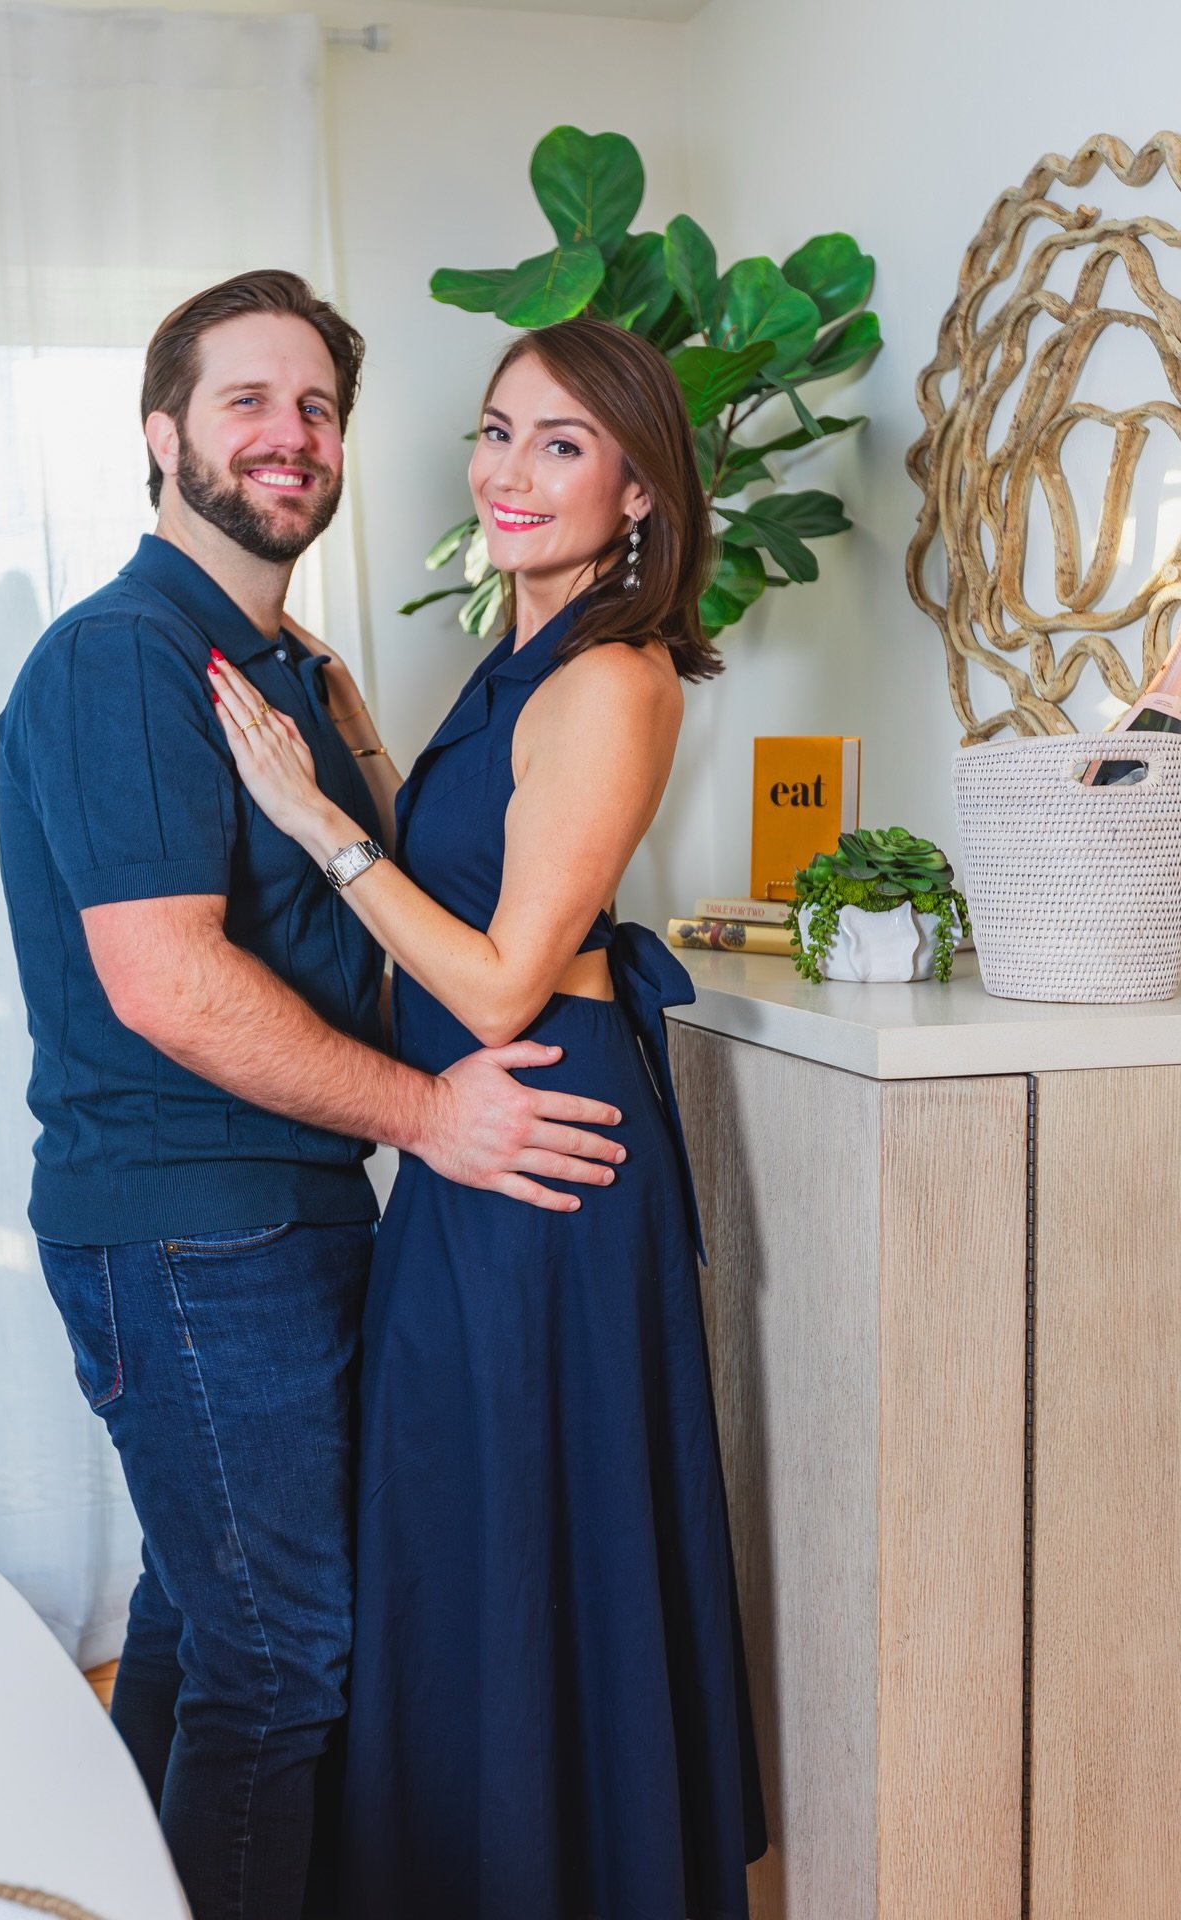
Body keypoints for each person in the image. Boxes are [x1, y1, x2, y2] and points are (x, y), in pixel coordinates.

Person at [0, 271, 627, 1920]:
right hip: (199, 1230)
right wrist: (431, 1120)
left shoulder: (277, 674)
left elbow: (370, 930)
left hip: (290, 1216)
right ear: (162, 436)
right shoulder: (125, 660)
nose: (290, 436)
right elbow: (168, 983)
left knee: (217, 1629)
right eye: (246, 403)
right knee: (288, 1664)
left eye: (317, 409)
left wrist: (357, 754)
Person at [205, 316, 768, 1920]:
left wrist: (314, 821)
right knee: (473, 1532)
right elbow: (467, 864)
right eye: (497, 430)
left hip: (535, 1141)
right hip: (479, 1136)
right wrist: (356, 735)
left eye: (564, 444)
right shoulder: (521, 654)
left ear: (644, 490)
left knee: (525, 1535)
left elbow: (511, 975)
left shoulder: (612, 672)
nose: (510, 472)